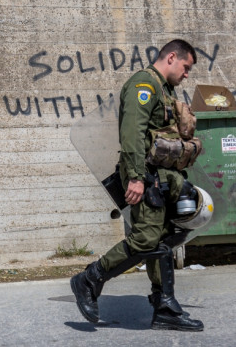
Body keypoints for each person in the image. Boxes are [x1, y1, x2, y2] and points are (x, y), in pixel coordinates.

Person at [70, 39, 204, 331]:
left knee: (163, 240)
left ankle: (164, 305)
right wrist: (135, 177)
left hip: (165, 180)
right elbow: (132, 132)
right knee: (145, 239)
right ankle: (89, 279)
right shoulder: (144, 85)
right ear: (171, 57)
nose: (187, 75)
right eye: (186, 67)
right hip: (147, 177)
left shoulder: (165, 90)